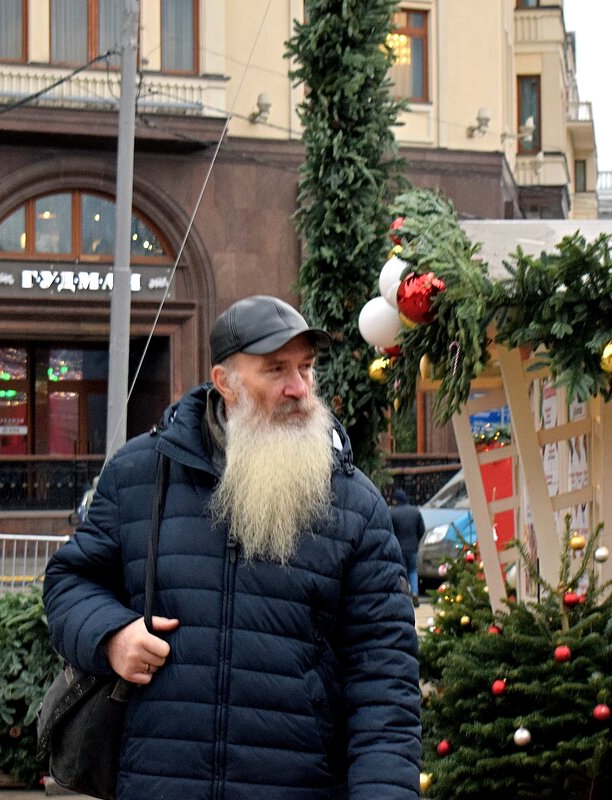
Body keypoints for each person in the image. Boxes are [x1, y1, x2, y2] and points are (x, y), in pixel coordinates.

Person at [44, 295, 421, 800]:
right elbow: (70, 581)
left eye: (306, 368)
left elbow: (384, 679)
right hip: (159, 782)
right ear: (225, 383)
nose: (299, 388)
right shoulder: (139, 474)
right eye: (276, 370)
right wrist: (111, 637)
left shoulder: (353, 503)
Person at [388, 488, 425, 601]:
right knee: (413, 570)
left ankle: (405, 595)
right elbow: (422, 529)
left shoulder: (392, 513)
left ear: (396, 500)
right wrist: (416, 540)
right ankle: (415, 592)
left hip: (399, 548)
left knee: (402, 572)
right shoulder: (415, 512)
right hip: (413, 547)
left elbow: (390, 531)